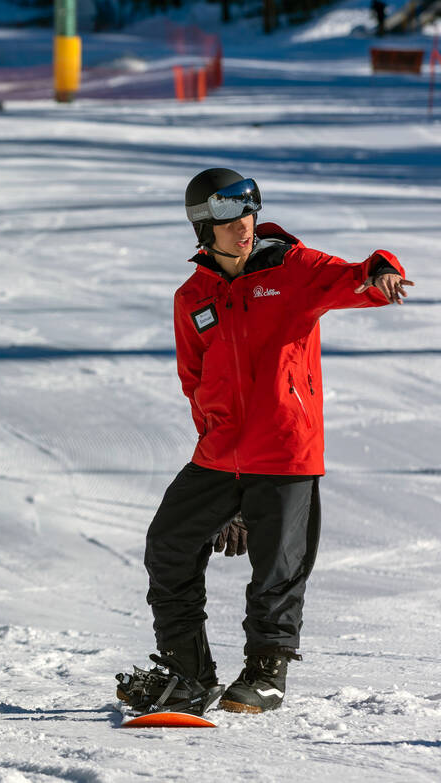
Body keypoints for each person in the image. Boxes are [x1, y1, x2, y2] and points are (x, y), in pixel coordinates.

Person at [116, 168, 413, 716]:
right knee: (169, 545)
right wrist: (223, 479)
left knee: (278, 566)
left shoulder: (293, 268)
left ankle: (266, 674)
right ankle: (188, 672)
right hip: (219, 454)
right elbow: (193, 379)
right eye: (229, 221)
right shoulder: (193, 295)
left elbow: (355, 277)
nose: (243, 228)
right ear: (204, 227)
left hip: (284, 449)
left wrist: (382, 273)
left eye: (248, 216)